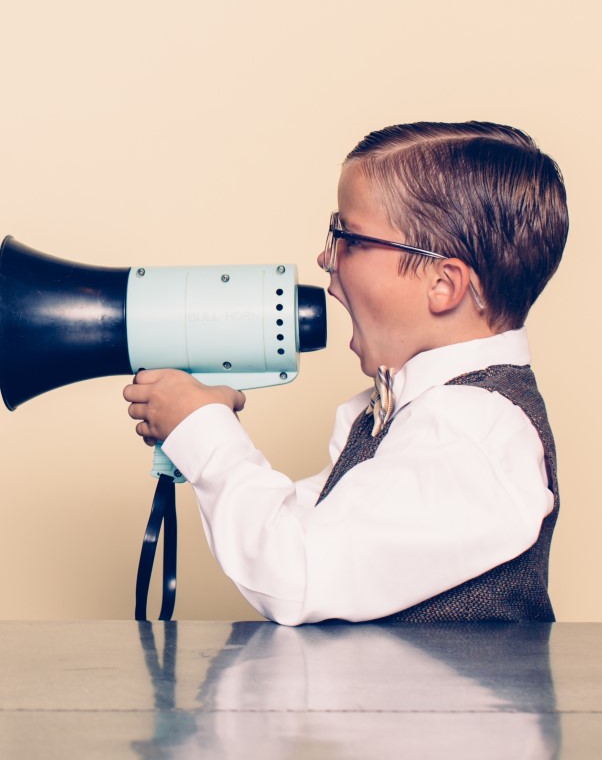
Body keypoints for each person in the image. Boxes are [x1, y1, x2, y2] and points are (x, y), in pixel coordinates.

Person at [123, 121, 568, 625]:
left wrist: (204, 433)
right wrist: (204, 424)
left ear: (443, 285)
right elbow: (311, 527)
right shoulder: (411, 410)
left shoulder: (470, 433)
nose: (325, 257)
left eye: (350, 239)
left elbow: (294, 573)